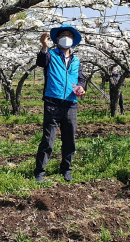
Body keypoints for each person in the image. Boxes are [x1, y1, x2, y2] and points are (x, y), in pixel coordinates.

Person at [34, 24, 86, 182]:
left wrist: (81, 88)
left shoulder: (76, 61)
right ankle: (39, 172)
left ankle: (66, 169)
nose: (66, 38)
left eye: (69, 36)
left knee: (70, 139)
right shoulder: (50, 55)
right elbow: (41, 62)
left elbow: (81, 79)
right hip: (52, 102)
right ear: (57, 39)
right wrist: (44, 46)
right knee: (48, 139)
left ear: (73, 40)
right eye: (63, 35)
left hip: (70, 104)